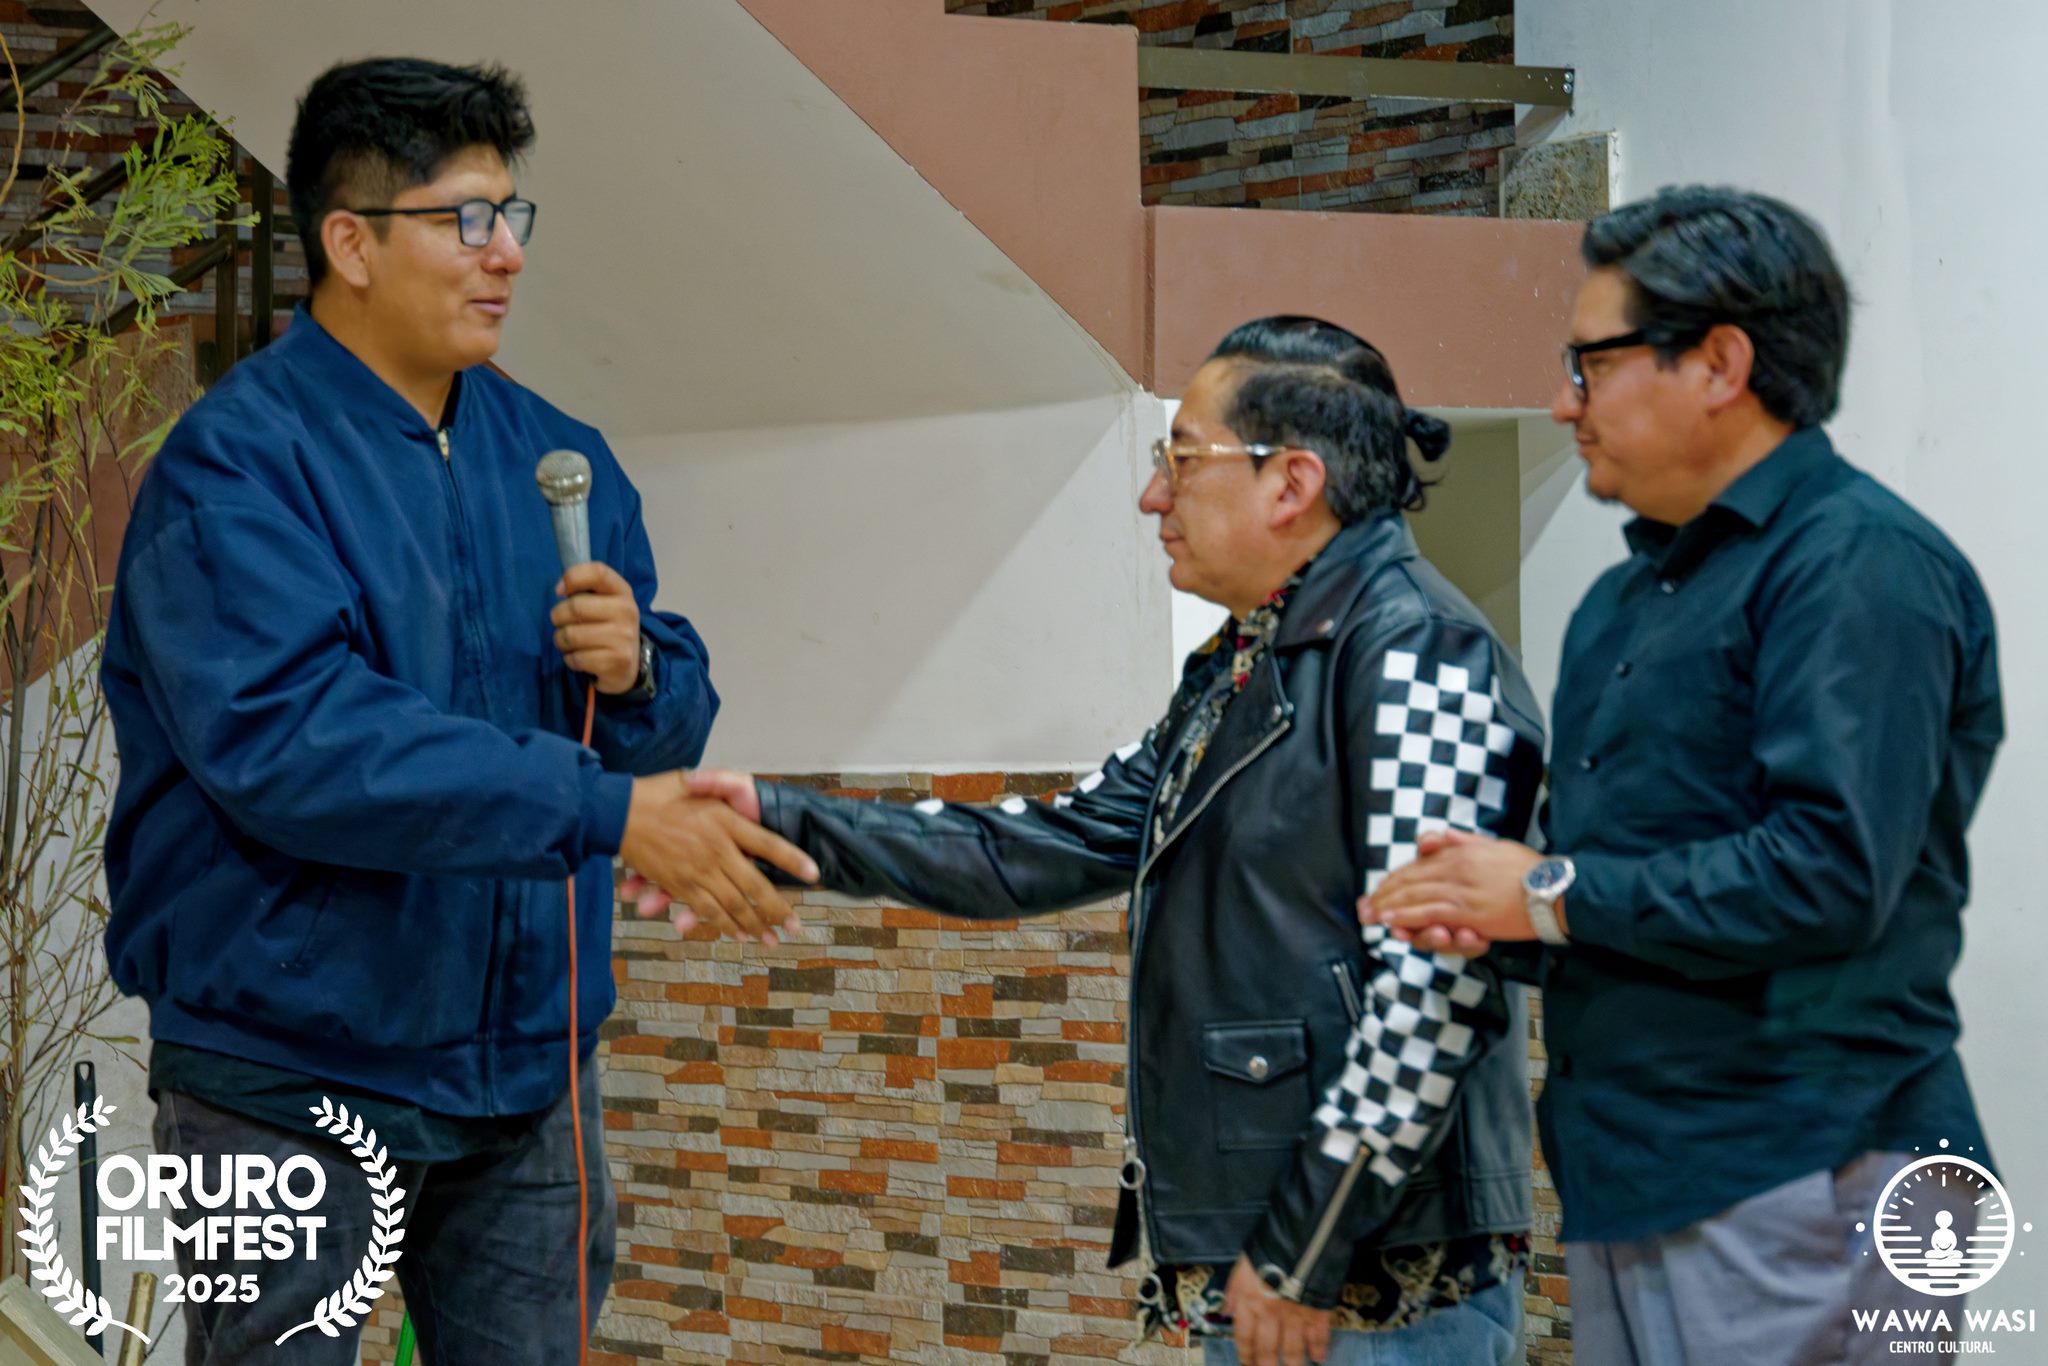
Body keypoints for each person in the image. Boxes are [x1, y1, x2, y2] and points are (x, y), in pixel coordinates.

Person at [644, 317, 1546, 1366]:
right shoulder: (1249, 659)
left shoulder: (1420, 653)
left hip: (1368, 1274)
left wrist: (1306, 1243)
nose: (1154, 495)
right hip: (1282, 1260)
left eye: (1182, 460)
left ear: (1291, 483)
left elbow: (1434, 993)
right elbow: (1040, 844)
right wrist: (784, 820)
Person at [101, 58, 814, 1366]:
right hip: (284, 1072)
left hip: (524, 1068)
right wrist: (605, 810)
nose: (506, 255)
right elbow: (299, 743)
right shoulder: (236, 467)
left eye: (512, 216)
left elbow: (654, 737)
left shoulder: (558, 457)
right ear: (351, 243)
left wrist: (638, 675)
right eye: (465, 220)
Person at [1363, 186, 2003, 1365]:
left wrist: (1542, 894)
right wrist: (1479, 910)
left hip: (1809, 1162)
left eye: (1590, 364)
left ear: (1717, 364)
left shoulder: (1857, 565)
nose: (1562, 403)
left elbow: (1827, 874)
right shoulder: (1620, 602)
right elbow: (1626, 891)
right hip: (1638, 1169)